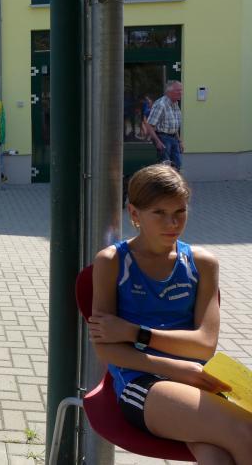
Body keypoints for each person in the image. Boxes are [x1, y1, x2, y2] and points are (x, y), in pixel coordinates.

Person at [89, 164, 252, 463]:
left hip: (198, 378)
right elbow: (107, 349)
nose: (172, 223)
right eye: (159, 213)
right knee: (245, 433)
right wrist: (178, 368)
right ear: (134, 213)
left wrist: (133, 332)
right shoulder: (112, 261)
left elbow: (204, 344)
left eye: (180, 211)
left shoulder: (202, 263)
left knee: (217, 457)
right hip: (142, 383)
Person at [146, 81, 184, 170]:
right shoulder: (161, 104)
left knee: (177, 165)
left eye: (181, 90)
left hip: (174, 138)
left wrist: (179, 141)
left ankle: (174, 180)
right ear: (169, 92)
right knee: (165, 167)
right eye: (178, 90)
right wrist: (158, 142)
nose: (181, 93)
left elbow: (174, 126)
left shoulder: (175, 104)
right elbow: (150, 125)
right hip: (163, 138)